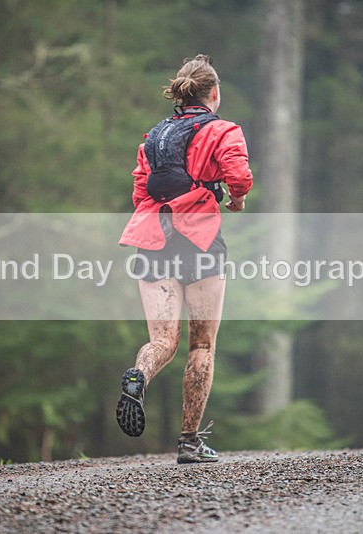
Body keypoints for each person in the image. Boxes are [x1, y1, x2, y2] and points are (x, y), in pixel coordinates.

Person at [116, 54, 253, 464]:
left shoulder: (154, 137)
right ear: (213, 93)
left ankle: (138, 375)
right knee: (202, 343)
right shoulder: (223, 130)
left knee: (161, 340)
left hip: (154, 239)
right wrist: (237, 199)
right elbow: (239, 177)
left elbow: (141, 192)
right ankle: (189, 443)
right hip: (200, 239)